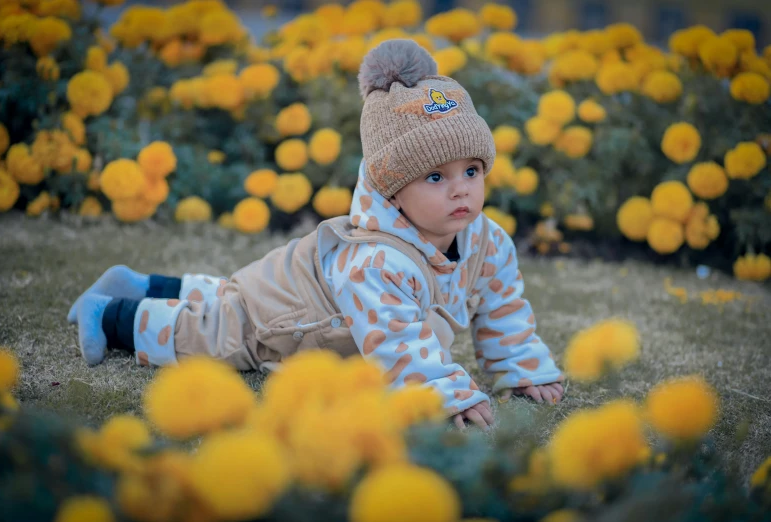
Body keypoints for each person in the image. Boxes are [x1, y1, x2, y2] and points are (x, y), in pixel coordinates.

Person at [69, 39, 565, 430]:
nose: (461, 190)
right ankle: (113, 314)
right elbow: (398, 343)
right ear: (393, 191)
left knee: (226, 296)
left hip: (301, 289)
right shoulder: (379, 261)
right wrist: (446, 396)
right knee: (216, 333)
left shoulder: (489, 242)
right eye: (436, 177)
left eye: (472, 171)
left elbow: (503, 308)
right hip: (285, 316)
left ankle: (141, 281)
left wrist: (522, 368)